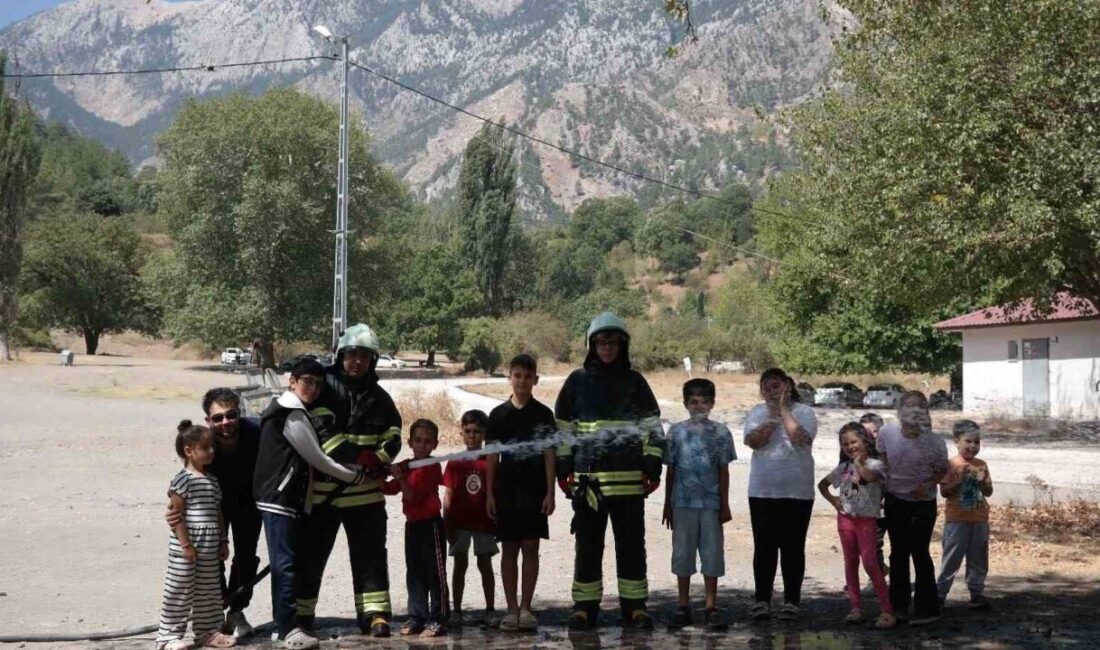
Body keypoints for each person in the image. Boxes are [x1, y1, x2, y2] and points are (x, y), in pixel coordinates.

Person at [555, 312, 665, 631]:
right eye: (601, 342)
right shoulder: (577, 382)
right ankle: (585, 608)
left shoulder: (635, 382)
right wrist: (565, 469)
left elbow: (652, 429)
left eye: (612, 342)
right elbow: (563, 429)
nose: (606, 347)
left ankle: (635, 607)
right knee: (588, 546)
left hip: (630, 483)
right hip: (590, 484)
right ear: (591, 345)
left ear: (622, 345)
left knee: (631, 547)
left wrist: (653, 467)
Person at [253, 358, 368, 650]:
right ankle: (288, 629)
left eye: (318, 384)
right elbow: (317, 457)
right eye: (307, 381)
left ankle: (283, 628)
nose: (313, 388)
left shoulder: (291, 409)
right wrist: (353, 476)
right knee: (285, 565)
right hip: (279, 499)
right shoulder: (290, 413)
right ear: (292, 381)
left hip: (283, 499)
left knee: (285, 563)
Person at [296, 324, 402, 637]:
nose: (357, 361)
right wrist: (360, 458)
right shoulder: (322, 388)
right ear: (341, 356)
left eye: (364, 356)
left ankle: (375, 615)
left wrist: (381, 458)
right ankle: (301, 616)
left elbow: (394, 432)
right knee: (311, 557)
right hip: (324, 493)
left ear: (373, 361)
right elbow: (322, 432)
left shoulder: (380, 397)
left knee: (370, 558)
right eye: (351, 355)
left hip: (366, 496)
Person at [167, 388, 262, 639]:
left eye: (231, 415)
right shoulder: (203, 442)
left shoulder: (257, 433)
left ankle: (237, 610)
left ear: (239, 413)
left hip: (248, 504)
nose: (225, 422)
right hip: (211, 506)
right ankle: (215, 613)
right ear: (208, 420)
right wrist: (178, 512)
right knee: (211, 559)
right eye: (217, 418)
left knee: (245, 558)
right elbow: (188, 477)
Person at [485, 353, 557, 632]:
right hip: (506, 488)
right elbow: (492, 457)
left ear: (535, 380)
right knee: (509, 548)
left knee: (530, 546)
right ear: (510, 378)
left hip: (534, 487)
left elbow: (550, 454)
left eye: (528, 376)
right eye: (518, 376)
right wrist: (490, 494)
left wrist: (550, 492)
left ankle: (526, 608)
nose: (523, 381)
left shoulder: (543, 414)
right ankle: (511, 609)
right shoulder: (498, 415)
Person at [742, 367, 818, 622]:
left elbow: (801, 439)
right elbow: (753, 441)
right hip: (762, 491)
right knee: (764, 547)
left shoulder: (805, 412)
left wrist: (784, 411)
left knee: (793, 547)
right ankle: (762, 600)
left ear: (788, 386)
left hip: (798, 492)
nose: (770, 391)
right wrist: (772, 418)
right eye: (766, 387)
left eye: (776, 386)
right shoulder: (756, 412)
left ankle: (791, 601)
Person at [662, 378, 736, 632]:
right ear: (685, 404)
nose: (699, 406)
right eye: (693, 401)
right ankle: (683, 605)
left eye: (705, 401)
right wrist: (667, 504)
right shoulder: (676, 432)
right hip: (682, 502)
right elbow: (670, 470)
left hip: (711, 504)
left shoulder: (721, 432)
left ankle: (711, 606)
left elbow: (723, 471)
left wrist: (724, 504)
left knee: (712, 553)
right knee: (683, 552)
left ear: (712, 403)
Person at [156, 421, 236, 650]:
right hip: (187, 547)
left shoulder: (212, 480)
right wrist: (185, 545)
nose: (211, 451)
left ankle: (208, 633)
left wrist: (223, 540)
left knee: (209, 591)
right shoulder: (183, 480)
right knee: (179, 589)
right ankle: (168, 637)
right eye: (206, 447)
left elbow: (218, 511)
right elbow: (176, 515)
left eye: (213, 446)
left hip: (210, 545)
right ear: (189, 451)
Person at [876, 391, 949, 626]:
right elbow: (881, 457)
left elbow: (942, 470)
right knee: (898, 552)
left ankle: (927, 609)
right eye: (909, 405)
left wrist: (928, 484)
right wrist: (879, 484)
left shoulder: (936, 441)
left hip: (923, 503)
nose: (914, 410)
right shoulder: (887, 432)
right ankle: (898, 607)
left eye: (920, 407)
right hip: (895, 500)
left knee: (920, 552)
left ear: (926, 413)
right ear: (900, 410)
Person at [818, 422, 896, 629]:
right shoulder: (843, 468)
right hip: (845, 520)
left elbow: (869, 478)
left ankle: (887, 610)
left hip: (867, 520)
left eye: (854, 442)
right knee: (850, 562)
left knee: (870, 562)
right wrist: (834, 500)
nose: (850, 447)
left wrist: (859, 462)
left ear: (865, 441)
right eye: (845, 444)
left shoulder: (875, 465)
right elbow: (822, 485)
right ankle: (856, 607)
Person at [385, 419, 449, 638]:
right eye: (418, 441)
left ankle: (438, 618)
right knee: (414, 573)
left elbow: (410, 493)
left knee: (435, 574)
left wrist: (400, 476)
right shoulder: (408, 465)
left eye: (428, 441)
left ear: (435, 445)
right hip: (412, 526)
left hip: (431, 525)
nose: (423, 445)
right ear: (409, 442)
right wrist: (374, 475)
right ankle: (416, 617)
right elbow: (390, 488)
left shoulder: (431, 466)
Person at [443, 410, 499, 628]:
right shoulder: (455, 462)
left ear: (484, 434)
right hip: (460, 522)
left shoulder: (490, 461)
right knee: (460, 564)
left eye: (477, 432)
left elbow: (495, 492)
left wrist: (497, 521)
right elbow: (448, 495)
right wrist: (447, 523)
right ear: (461, 433)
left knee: (485, 564)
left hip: (483, 522)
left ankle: (491, 609)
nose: (472, 436)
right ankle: (456, 610)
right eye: (468, 431)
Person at [936, 420, 993, 610]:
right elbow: (944, 492)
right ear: (956, 441)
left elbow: (989, 492)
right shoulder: (951, 464)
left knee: (978, 557)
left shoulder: (982, 464)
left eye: (976, 442)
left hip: (979, 520)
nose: (972, 446)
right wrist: (958, 482)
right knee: (951, 557)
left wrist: (984, 483)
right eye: (968, 441)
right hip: (957, 520)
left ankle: (976, 593)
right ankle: (940, 594)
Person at [859, 412, 888, 574]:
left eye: (874, 431)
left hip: (889, 506)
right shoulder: (858, 455)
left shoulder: (889, 454)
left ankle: (879, 578)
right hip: (869, 510)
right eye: (864, 432)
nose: (870, 436)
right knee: (871, 546)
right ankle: (878, 574)